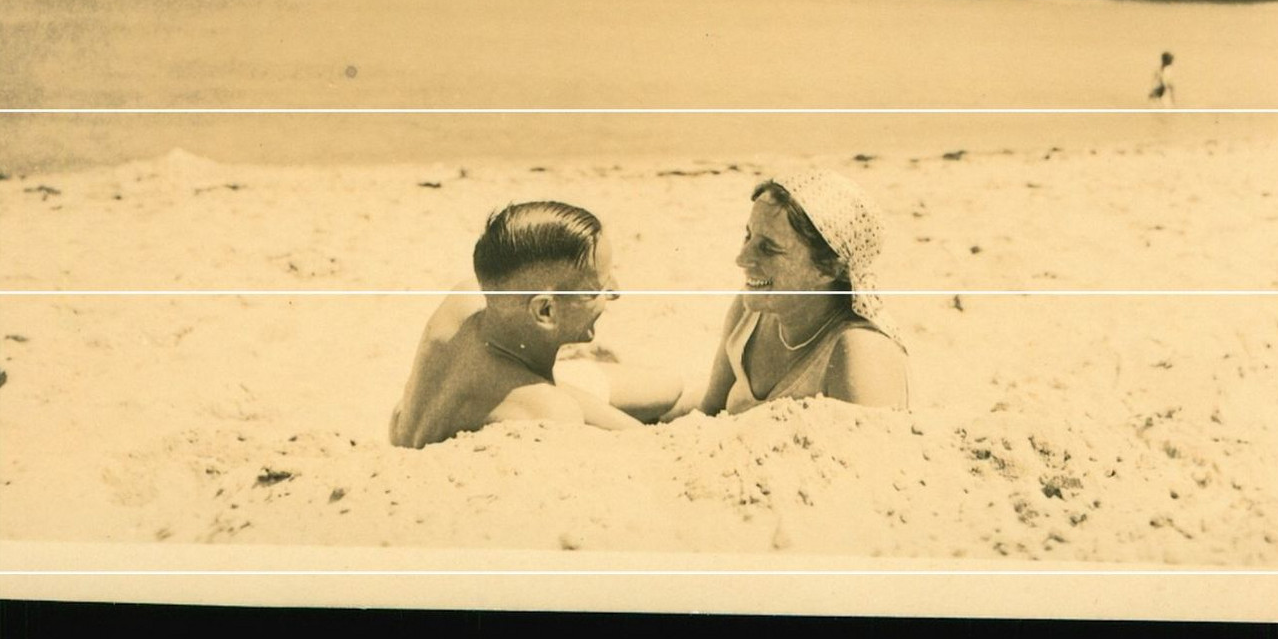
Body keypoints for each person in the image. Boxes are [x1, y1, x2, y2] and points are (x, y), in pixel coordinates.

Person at [389, 200, 662, 449]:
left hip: (422, 420)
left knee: (665, 389)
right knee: (669, 397)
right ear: (544, 311)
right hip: (521, 395)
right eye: (596, 290)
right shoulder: (550, 412)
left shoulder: (465, 299)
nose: (615, 292)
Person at [693, 169, 909, 415]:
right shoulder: (752, 311)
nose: (742, 259)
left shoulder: (859, 352)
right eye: (748, 236)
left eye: (769, 249)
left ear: (828, 269)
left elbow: (869, 450)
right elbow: (708, 413)